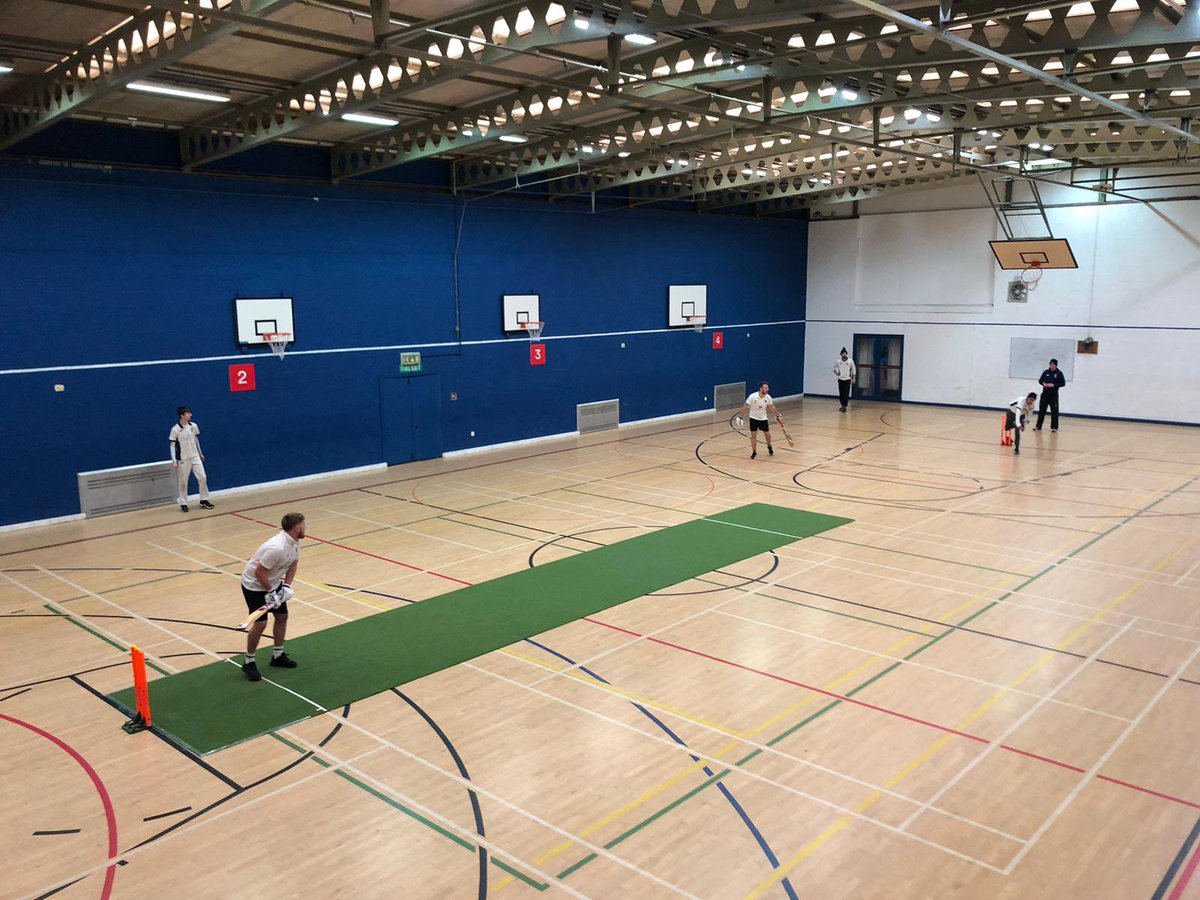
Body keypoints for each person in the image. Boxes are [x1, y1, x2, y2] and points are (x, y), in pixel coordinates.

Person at [239, 512, 306, 681]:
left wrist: (286, 586)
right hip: (254, 585)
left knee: (282, 617)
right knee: (260, 624)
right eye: (304, 524)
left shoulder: (295, 542)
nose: (306, 527)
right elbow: (259, 572)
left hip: (274, 584)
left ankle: (277, 655)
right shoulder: (276, 548)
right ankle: (249, 661)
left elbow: (293, 564)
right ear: (297, 528)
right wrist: (270, 592)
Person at [169, 406, 214, 513]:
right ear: (182, 415)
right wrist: (174, 460)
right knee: (183, 481)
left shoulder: (194, 426)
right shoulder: (175, 429)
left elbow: (196, 440)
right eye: (188, 413)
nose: (190, 415)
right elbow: (172, 445)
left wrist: (200, 453)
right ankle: (184, 503)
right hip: (183, 458)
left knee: (203, 477)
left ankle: (204, 499)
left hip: (195, 457)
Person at [736, 382, 783, 459]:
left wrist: (777, 415)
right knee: (753, 435)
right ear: (761, 389)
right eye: (765, 388)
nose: (767, 389)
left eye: (767, 388)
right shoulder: (752, 397)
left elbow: (772, 407)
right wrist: (740, 417)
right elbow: (745, 407)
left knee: (767, 434)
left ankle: (769, 446)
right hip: (753, 418)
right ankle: (754, 451)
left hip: (763, 418)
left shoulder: (768, 397)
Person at [1034, 359, 1066, 432]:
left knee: (1054, 411)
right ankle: (1038, 426)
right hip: (1045, 394)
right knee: (1042, 411)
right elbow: (1040, 380)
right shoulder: (1046, 372)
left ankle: (1054, 427)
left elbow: (1063, 383)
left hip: (1053, 395)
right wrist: (1043, 384)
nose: (1052, 365)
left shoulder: (1059, 373)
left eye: (1053, 364)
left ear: (1056, 365)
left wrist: (1053, 385)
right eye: (1051, 364)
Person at [832, 347, 857, 412]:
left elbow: (854, 369)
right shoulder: (838, 361)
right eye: (843, 353)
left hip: (847, 379)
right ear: (841, 355)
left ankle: (844, 406)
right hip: (840, 379)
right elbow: (833, 368)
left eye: (845, 353)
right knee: (841, 393)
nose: (844, 355)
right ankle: (842, 405)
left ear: (847, 354)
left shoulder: (850, 361)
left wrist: (854, 378)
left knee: (846, 393)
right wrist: (837, 373)